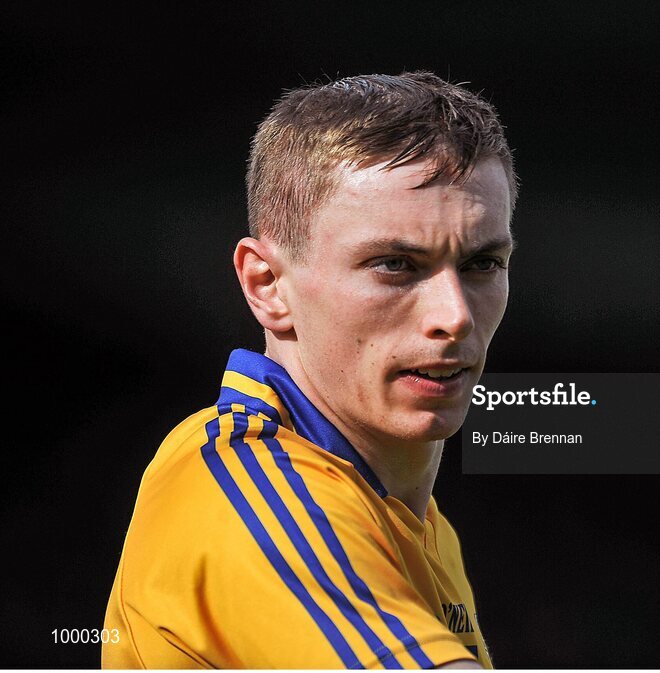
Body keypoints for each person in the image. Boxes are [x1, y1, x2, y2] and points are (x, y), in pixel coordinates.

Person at [102, 71, 517, 669]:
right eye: (395, 265)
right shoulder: (242, 486)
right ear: (267, 285)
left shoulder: (420, 526)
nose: (453, 317)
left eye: (482, 264)